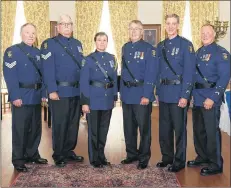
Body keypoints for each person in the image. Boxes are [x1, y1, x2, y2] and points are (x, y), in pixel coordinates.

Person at [41, 14, 84, 167]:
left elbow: (81, 68)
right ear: (57, 27)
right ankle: (58, 153)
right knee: (60, 123)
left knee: (73, 123)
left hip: (76, 91)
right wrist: (51, 89)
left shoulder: (78, 44)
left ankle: (68, 150)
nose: (66, 26)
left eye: (69, 24)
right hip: (59, 91)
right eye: (63, 24)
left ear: (72, 27)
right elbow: (47, 69)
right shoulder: (49, 44)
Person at [3, 23, 48, 172]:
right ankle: (18, 159)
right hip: (21, 96)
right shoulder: (12, 52)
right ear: (21, 34)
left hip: (35, 97)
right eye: (27, 32)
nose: (30, 35)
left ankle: (32, 154)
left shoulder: (38, 52)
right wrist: (15, 95)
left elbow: (43, 75)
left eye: (33, 33)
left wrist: (43, 93)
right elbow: (10, 76)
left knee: (35, 128)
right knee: (20, 129)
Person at [187, 24, 230, 176]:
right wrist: (191, 94)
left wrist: (212, 98)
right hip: (198, 97)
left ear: (214, 34)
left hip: (211, 97)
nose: (205, 35)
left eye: (208, 33)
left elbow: (224, 78)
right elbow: (193, 76)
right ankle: (202, 156)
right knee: (199, 131)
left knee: (211, 132)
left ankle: (215, 163)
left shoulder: (221, 53)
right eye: (202, 33)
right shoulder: (198, 52)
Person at [155, 14, 195, 172]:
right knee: (164, 129)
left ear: (178, 25)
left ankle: (178, 161)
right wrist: (157, 92)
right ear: (165, 25)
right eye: (168, 23)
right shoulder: (160, 46)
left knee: (179, 129)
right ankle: (167, 157)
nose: (170, 26)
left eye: (173, 24)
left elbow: (189, 72)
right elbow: (158, 72)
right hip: (164, 93)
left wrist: (185, 95)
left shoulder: (186, 45)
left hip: (178, 93)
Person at [120, 20, 159, 169]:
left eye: (137, 29)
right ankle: (131, 154)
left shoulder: (149, 49)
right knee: (128, 127)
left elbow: (151, 73)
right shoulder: (125, 47)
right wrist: (121, 93)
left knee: (144, 128)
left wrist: (147, 95)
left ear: (142, 32)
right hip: (127, 94)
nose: (134, 31)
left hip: (141, 94)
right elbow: (124, 72)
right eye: (131, 29)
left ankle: (143, 157)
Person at [80, 32, 118, 168]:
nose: (102, 42)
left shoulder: (112, 58)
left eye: (104, 40)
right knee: (94, 131)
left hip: (107, 99)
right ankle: (94, 158)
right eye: (99, 40)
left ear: (107, 42)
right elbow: (84, 82)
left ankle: (101, 156)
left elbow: (114, 79)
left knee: (103, 130)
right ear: (95, 42)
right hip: (93, 99)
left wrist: (114, 96)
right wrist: (85, 102)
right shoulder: (88, 59)